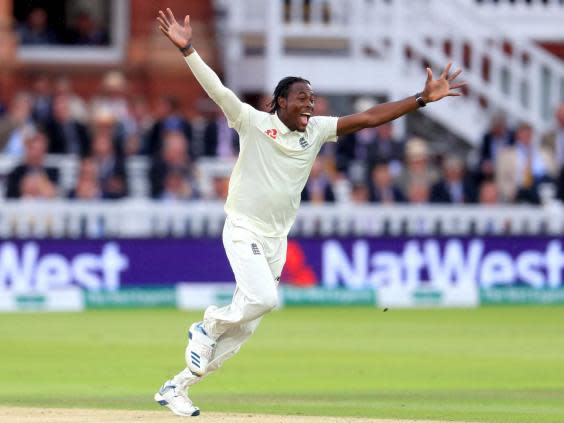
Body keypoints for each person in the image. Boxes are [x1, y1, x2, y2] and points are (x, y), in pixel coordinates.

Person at [154, 8, 464, 417]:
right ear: (280, 101)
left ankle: (177, 387)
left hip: (276, 241)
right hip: (243, 227)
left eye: (312, 100)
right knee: (263, 300)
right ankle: (207, 325)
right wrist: (189, 49)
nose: (309, 105)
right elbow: (218, 91)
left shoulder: (316, 131)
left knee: (243, 332)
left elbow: (370, 118)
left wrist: (422, 98)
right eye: (302, 98)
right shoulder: (251, 122)